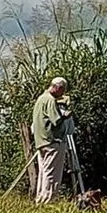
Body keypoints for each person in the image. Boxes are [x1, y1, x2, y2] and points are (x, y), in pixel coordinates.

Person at [32, 77, 70, 205]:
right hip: (52, 141)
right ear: (58, 88)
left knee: (43, 172)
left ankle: (40, 199)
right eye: (63, 91)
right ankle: (48, 201)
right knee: (52, 173)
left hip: (41, 141)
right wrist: (65, 115)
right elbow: (56, 120)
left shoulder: (40, 99)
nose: (63, 94)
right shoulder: (50, 100)